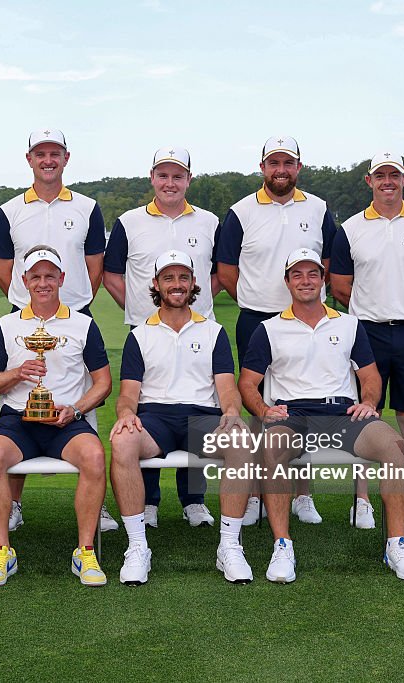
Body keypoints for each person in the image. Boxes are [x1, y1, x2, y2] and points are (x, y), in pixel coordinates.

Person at [238, 248, 404, 583]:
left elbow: (370, 376)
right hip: (293, 413)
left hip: (343, 412)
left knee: (395, 447)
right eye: (297, 274)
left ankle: (396, 545)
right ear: (287, 282)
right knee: (272, 448)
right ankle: (282, 545)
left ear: (323, 280)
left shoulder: (349, 324)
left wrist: (368, 401)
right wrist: (264, 411)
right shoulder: (268, 329)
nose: (305, 280)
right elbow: (247, 383)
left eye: (313, 273)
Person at [215, 135, 338, 526]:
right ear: (262, 167)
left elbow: (329, 263)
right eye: (274, 163)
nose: (280, 170)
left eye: (288, 163)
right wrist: (256, 300)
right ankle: (255, 494)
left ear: (298, 167)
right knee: (257, 406)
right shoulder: (241, 212)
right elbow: (227, 271)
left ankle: (302, 495)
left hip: (306, 321)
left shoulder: (318, 208)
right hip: (257, 319)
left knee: (301, 403)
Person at [0, 129, 110, 532]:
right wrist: (34, 302)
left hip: (75, 315)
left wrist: (70, 307)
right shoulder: (10, 210)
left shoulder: (87, 207)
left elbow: (94, 266)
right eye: (40, 154)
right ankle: (13, 504)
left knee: (82, 403)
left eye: (54, 153)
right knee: (19, 401)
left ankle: (97, 504)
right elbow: (4, 269)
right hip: (25, 316)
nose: (47, 160)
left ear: (66, 158)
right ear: (29, 159)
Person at [110, 250, 252, 584]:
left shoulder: (213, 332)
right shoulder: (139, 334)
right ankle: (137, 546)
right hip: (154, 418)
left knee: (241, 441)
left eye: (183, 277)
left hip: (201, 417)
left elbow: (227, 388)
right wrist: (126, 414)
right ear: (156, 284)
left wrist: (232, 411)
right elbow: (128, 394)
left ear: (193, 283)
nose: (177, 284)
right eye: (169, 278)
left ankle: (229, 547)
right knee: (122, 441)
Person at [330, 152, 404, 529]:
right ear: (369, 181)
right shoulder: (350, 228)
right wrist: (375, 309)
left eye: (394, 175)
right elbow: (340, 286)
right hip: (366, 334)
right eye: (380, 175)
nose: (387, 181)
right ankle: (362, 500)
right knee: (365, 416)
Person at [0, 246, 112, 587]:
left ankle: (85, 551)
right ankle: (2, 550)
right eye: (35, 276)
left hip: (66, 420)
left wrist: (76, 409)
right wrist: (17, 373)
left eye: (50, 276)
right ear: (24, 281)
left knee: (95, 456)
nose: (43, 283)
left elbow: (104, 383)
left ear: (62, 279)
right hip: (17, 420)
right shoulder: (6, 325)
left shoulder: (83, 324)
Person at [103, 147, 221, 529]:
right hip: (147, 333)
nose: (170, 183)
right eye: (163, 175)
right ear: (152, 178)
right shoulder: (128, 221)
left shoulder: (209, 222)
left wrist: (191, 307)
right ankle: (148, 501)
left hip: (198, 330)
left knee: (197, 405)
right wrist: (145, 311)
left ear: (189, 180)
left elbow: (218, 274)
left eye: (178, 176)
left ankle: (194, 501)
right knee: (149, 411)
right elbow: (111, 275)